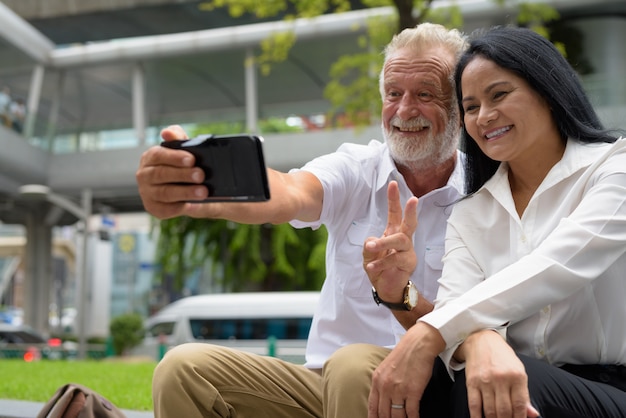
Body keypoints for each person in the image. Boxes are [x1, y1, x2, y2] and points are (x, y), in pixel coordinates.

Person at [136, 23, 467, 418]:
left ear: (460, 108)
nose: (404, 110)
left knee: (353, 365)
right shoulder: (356, 168)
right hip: (324, 388)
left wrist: (401, 293)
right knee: (182, 369)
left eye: (424, 94)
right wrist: (202, 187)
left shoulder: (488, 194)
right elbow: (291, 192)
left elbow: (472, 337)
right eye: (393, 94)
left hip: (433, 395)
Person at [359, 26, 626, 417]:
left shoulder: (613, 169)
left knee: (497, 382)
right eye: (470, 107)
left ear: (548, 92)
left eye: (499, 95)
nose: (484, 116)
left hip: (610, 390)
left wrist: (432, 331)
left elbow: (558, 264)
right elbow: (456, 305)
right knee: (451, 381)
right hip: (509, 377)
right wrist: (483, 340)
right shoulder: (471, 212)